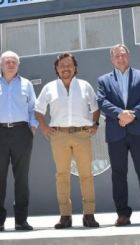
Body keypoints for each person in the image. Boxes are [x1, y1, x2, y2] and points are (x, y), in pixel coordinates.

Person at [35, 53, 101, 229]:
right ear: (56, 68)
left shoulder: (85, 86)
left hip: (82, 135)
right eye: (62, 65)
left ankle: (89, 215)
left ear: (75, 67)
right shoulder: (49, 88)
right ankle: (65, 216)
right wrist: (45, 128)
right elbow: (38, 110)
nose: (65, 68)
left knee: (86, 175)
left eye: (69, 65)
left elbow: (95, 107)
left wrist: (95, 124)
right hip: (59, 136)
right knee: (62, 176)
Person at [96, 44, 140, 226]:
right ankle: (122, 213)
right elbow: (101, 100)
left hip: (138, 131)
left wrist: (132, 114)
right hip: (116, 134)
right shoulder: (103, 80)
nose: (120, 58)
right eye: (117, 56)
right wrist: (119, 114)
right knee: (118, 174)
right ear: (112, 59)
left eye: (123, 55)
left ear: (128, 57)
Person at [0, 50, 38, 232]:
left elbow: (33, 107)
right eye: (7, 61)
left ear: (18, 65)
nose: (11, 64)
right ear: (1, 64)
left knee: (21, 178)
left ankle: (21, 220)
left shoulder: (26, 84)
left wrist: (32, 127)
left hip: (22, 132)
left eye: (14, 61)